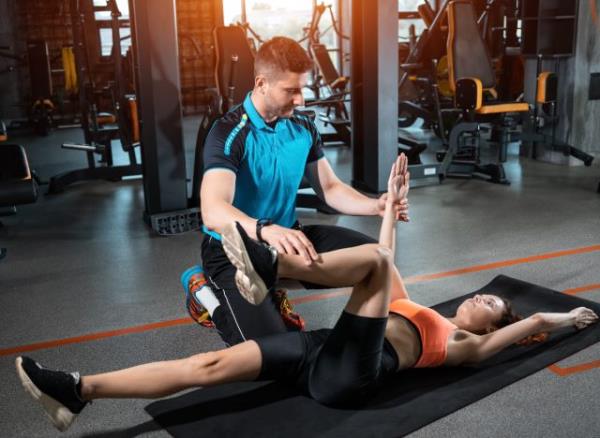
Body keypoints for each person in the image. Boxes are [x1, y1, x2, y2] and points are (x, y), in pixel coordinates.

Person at [16, 155, 598, 432]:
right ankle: (78, 390)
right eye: (484, 297)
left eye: (490, 307)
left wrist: (562, 318)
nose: (478, 300)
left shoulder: (463, 345)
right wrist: (389, 197)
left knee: (374, 261)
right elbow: (387, 254)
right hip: (319, 348)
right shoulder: (412, 305)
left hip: (355, 376)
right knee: (210, 364)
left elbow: (526, 330)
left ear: (487, 326)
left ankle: (268, 269)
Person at [198, 35, 408, 345]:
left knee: (377, 263)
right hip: (233, 252)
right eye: (291, 91)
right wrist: (266, 230)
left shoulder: (303, 127)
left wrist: (375, 206)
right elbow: (213, 210)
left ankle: (397, 338)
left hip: (288, 241)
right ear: (261, 83)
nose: (301, 101)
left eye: (303, 90)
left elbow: (330, 188)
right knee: (274, 354)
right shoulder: (229, 132)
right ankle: (208, 297)